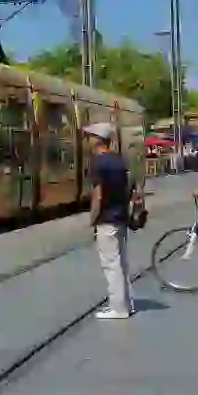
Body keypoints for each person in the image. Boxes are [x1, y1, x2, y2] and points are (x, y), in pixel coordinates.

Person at [83, 122, 135, 321]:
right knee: (121, 263)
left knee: (111, 265)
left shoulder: (99, 163)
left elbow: (97, 196)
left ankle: (119, 308)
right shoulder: (118, 161)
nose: (87, 141)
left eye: (89, 137)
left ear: (97, 139)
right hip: (121, 217)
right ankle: (126, 304)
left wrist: (92, 219)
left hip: (106, 219)